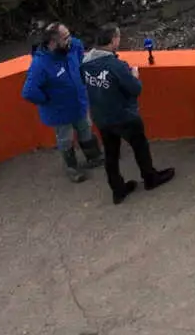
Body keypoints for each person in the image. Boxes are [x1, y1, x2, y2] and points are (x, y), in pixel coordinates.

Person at [81, 25, 176, 206]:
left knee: (111, 154)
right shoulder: (116, 66)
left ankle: (117, 190)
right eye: (118, 38)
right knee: (140, 146)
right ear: (112, 41)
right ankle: (150, 178)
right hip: (124, 116)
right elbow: (135, 89)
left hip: (101, 117)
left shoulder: (85, 63)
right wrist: (134, 75)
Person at [19, 23, 103, 183]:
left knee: (85, 127)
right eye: (65, 38)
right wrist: (48, 101)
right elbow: (29, 91)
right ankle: (72, 167)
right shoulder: (40, 65)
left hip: (79, 102)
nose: (70, 40)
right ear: (52, 41)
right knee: (66, 138)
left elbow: (81, 62)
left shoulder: (73, 46)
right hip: (59, 112)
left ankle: (94, 156)